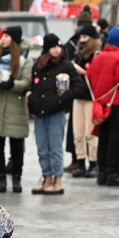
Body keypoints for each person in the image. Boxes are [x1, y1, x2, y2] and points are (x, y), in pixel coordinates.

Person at [27, 33, 84, 194]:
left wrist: (61, 100)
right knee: (42, 147)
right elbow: (32, 84)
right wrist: (30, 97)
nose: (57, 50)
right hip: (40, 113)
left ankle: (58, 179)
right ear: (47, 48)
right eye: (53, 47)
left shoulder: (65, 65)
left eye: (59, 46)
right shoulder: (38, 65)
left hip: (56, 113)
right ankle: (46, 177)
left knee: (55, 147)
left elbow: (79, 86)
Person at [0, 26, 32, 193]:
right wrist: (1, 85)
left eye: (6, 36)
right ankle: (1, 179)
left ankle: (17, 179)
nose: (2, 39)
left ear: (14, 39)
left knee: (17, 146)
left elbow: (27, 81)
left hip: (16, 107)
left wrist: (13, 85)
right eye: (2, 36)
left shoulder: (25, 59)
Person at [86, 26, 119, 186]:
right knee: (116, 138)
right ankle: (113, 172)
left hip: (100, 102)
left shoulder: (98, 56)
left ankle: (103, 172)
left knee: (104, 137)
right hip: (116, 102)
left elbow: (89, 75)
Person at [71, 23, 101, 179]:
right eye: (80, 37)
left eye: (85, 37)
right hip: (78, 97)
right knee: (78, 133)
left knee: (91, 133)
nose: (81, 40)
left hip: (91, 98)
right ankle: (80, 161)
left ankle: (94, 163)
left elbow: (97, 76)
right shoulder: (78, 55)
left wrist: (82, 71)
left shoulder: (97, 55)